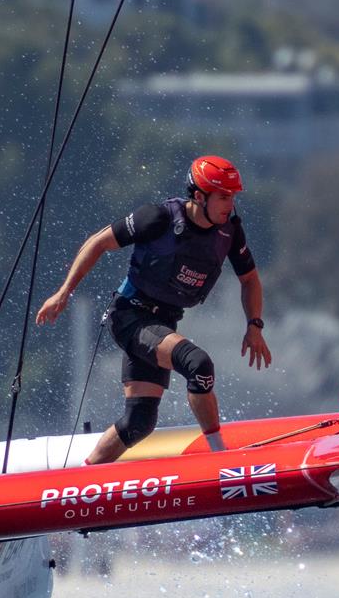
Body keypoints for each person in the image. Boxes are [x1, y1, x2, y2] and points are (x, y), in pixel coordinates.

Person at [36, 155, 271, 464]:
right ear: (199, 196)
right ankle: (220, 459)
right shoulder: (158, 218)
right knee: (197, 364)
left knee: (139, 422)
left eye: (234, 197)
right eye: (224, 197)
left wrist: (254, 325)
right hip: (131, 315)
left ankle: (83, 479)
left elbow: (249, 279)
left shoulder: (230, 232)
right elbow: (98, 242)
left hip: (163, 323)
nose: (230, 204)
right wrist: (63, 292)